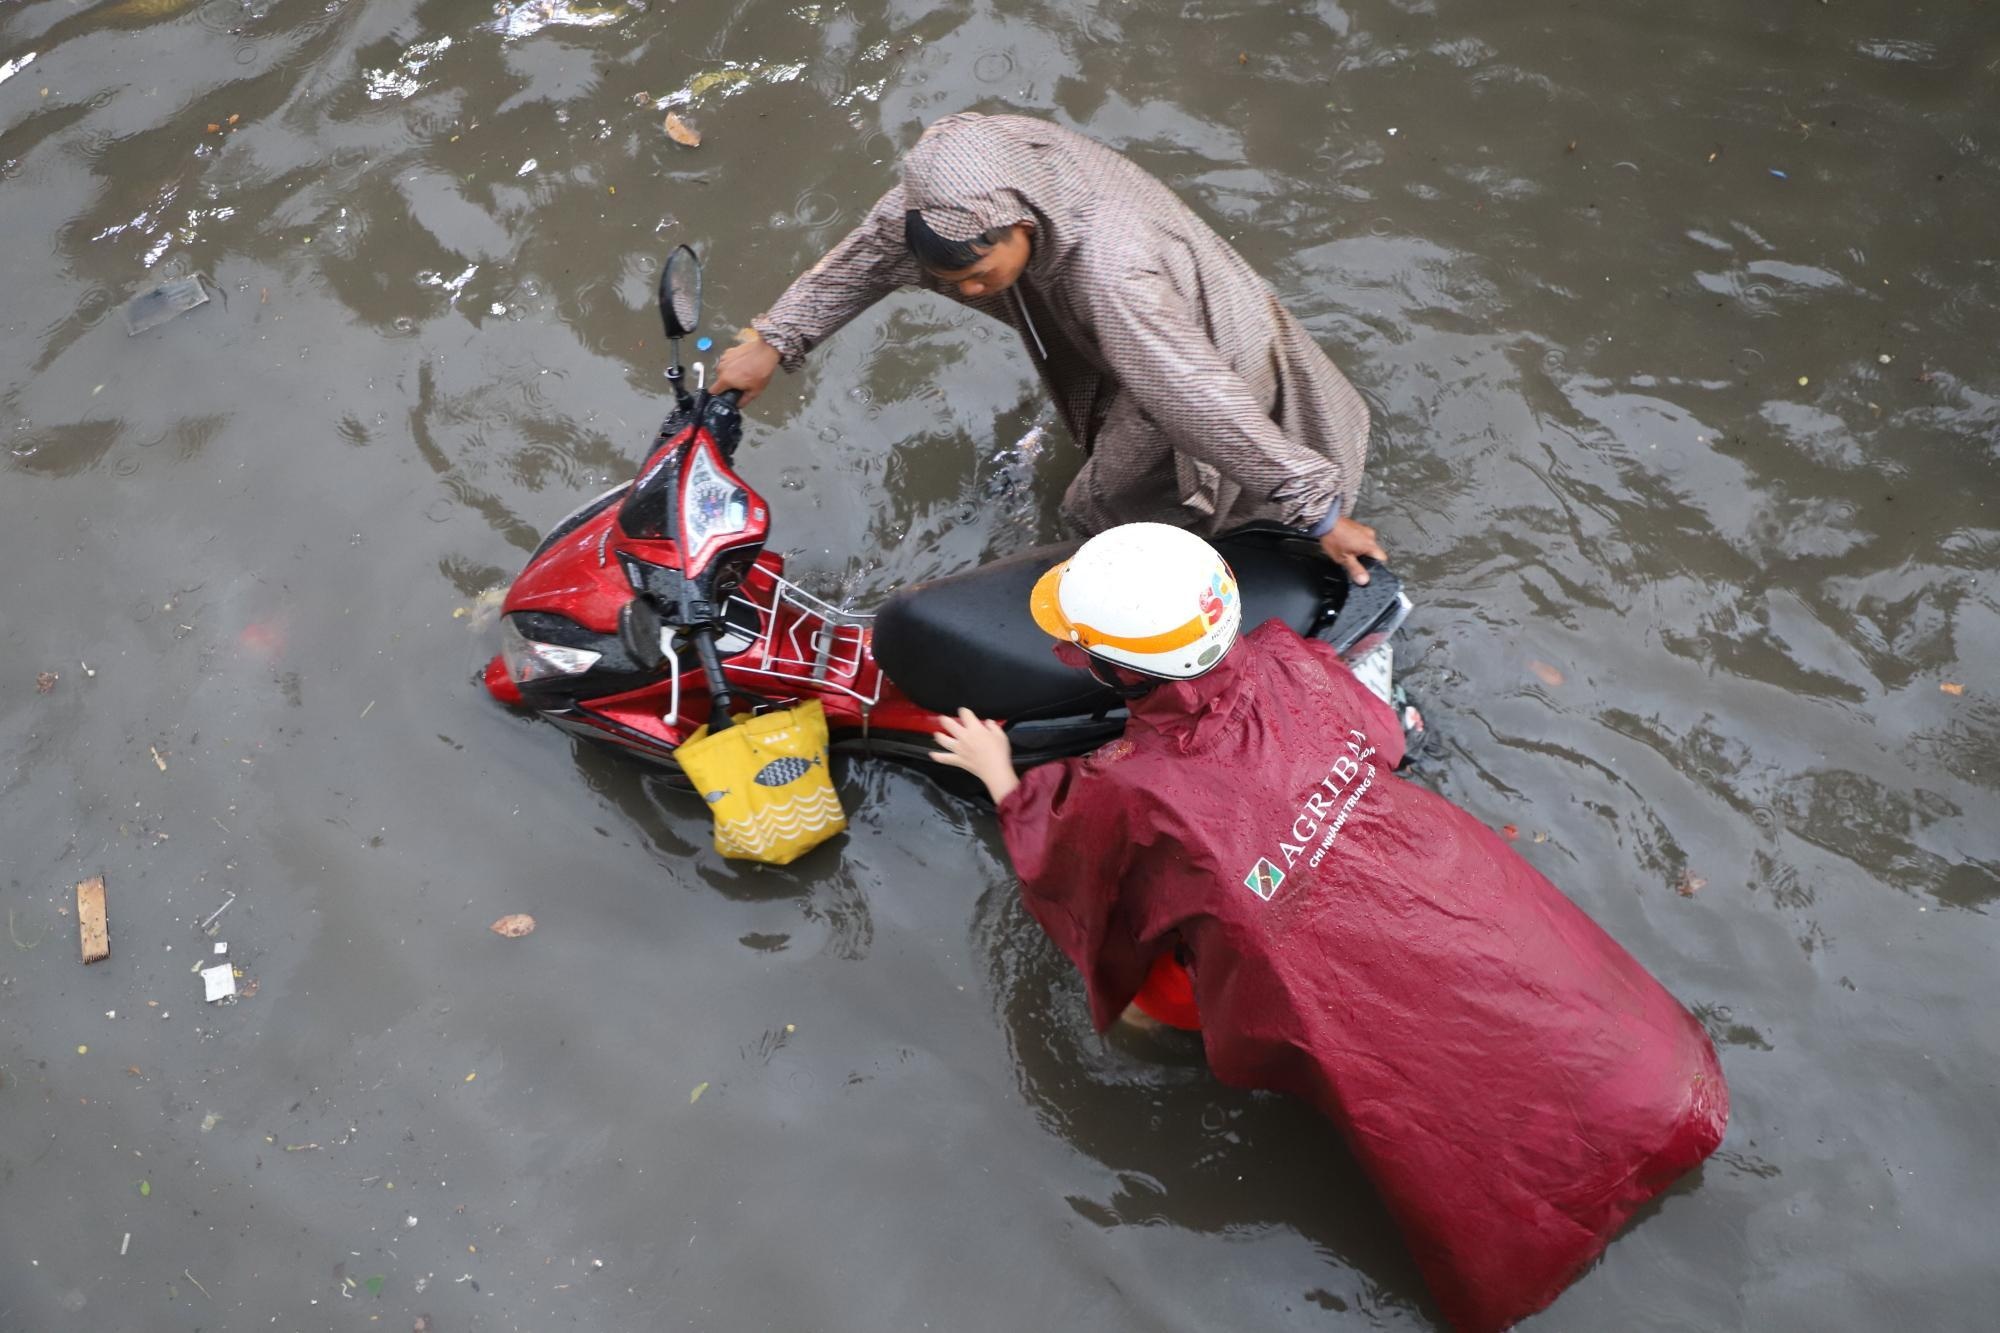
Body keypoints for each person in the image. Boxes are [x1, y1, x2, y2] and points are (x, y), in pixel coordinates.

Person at [929, 522, 1729, 1333]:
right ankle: (1664, 1100)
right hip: (1433, 877)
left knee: (1178, 1022)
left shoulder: (1133, 788)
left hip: (1310, 959)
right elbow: (1379, 735)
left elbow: (1074, 870)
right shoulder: (1285, 655)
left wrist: (1004, 781)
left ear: (1108, 667)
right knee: (1527, 1000)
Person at [713, 112, 1389, 585]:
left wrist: (1318, 510)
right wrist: (776, 339)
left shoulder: (1110, 276)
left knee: (1099, 504)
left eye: (982, 275)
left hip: (1197, 354)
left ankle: (1134, 614)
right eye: (959, 284)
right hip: (1164, 324)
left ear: (1020, 224)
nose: (976, 290)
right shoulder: (980, 170)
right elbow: (878, 245)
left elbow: (1192, 395)